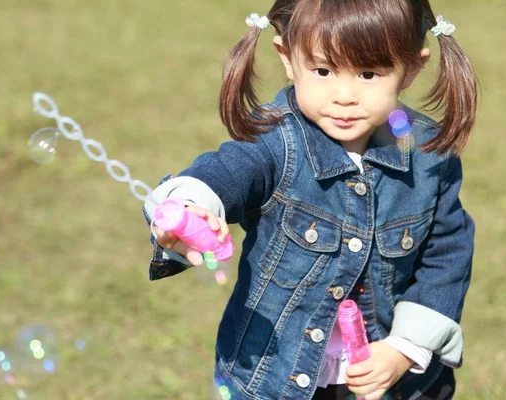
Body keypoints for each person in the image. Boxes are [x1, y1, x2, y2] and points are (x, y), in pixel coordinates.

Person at [143, 0, 477, 399]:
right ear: (287, 57)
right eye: (323, 71)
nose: (344, 95)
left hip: (389, 377)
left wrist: (405, 348)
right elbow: (223, 172)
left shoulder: (429, 155)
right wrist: (188, 207)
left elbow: (448, 254)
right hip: (275, 377)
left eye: (369, 73)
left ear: (412, 67)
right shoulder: (275, 143)